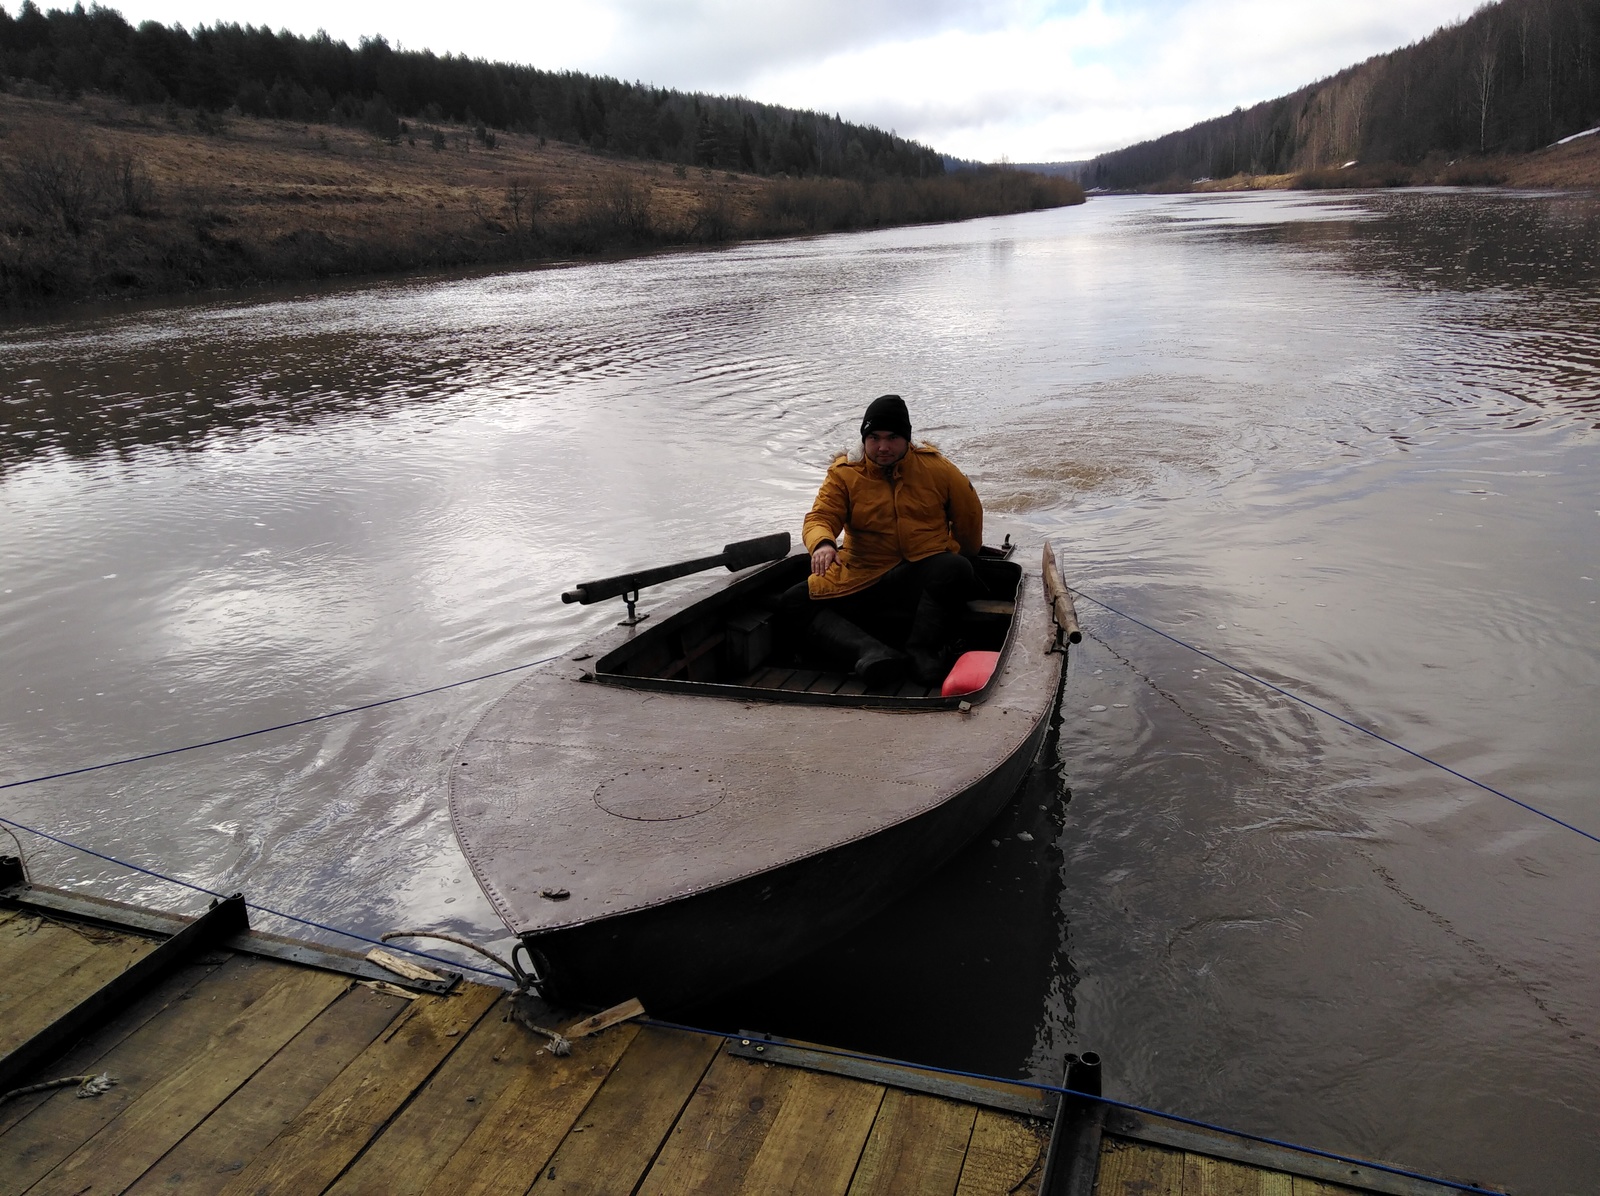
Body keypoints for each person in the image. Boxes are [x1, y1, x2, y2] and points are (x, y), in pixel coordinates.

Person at [781, 394, 983, 686]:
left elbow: (969, 518)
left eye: (893, 438)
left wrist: (968, 558)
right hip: (862, 573)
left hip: (920, 572)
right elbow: (820, 517)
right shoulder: (844, 474)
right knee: (793, 601)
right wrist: (823, 543)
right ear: (864, 439)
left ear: (908, 440)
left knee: (957, 568)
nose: (883, 447)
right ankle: (872, 652)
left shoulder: (939, 469)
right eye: (874, 437)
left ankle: (920, 650)